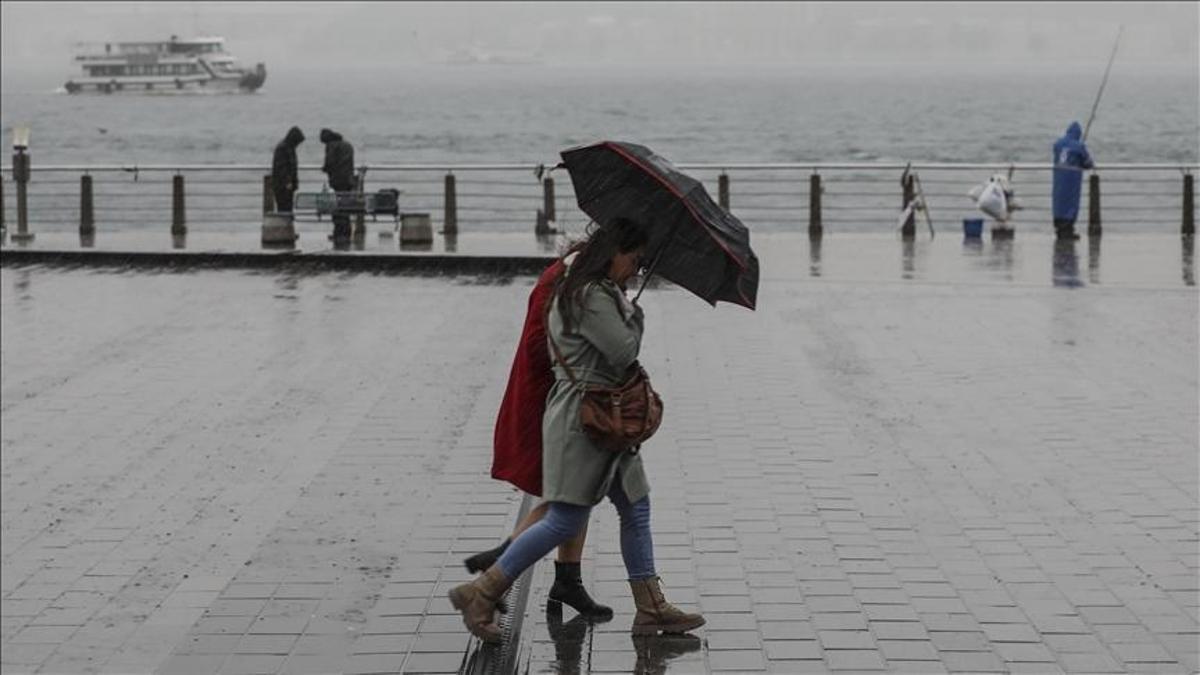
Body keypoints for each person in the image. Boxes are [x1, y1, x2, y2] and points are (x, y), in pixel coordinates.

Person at [448, 217, 705, 643]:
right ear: (614, 253)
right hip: (587, 421)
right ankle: (483, 590)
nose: (637, 270)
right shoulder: (590, 294)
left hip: (606, 420)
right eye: (635, 260)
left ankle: (650, 606)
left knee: (636, 508)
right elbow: (622, 351)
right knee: (564, 519)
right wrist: (635, 314)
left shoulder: (588, 287)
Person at [464, 245, 611, 621]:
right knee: (570, 496)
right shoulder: (566, 283)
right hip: (549, 402)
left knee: (576, 492)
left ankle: (566, 577)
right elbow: (539, 344)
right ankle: (500, 566)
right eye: (635, 261)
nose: (636, 271)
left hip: (563, 400)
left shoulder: (576, 278)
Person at [1052, 121, 1095, 241]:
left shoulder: (1058, 144)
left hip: (1058, 178)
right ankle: (1067, 230)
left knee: (1059, 202)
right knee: (1070, 203)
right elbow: (1088, 163)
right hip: (1072, 180)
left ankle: (1060, 228)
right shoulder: (1079, 146)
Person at [319, 128, 355, 246]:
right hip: (348, 180)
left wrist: (325, 168)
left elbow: (330, 162)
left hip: (337, 181)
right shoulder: (347, 145)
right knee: (345, 207)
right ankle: (347, 232)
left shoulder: (331, 145)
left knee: (337, 208)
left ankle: (338, 233)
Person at [270, 126, 304, 214]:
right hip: (283, 186)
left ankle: (286, 221)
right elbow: (282, 168)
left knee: (286, 209)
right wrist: (288, 181)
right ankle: (285, 222)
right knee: (284, 209)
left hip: (286, 185)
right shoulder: (283, 148)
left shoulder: (288, 147)